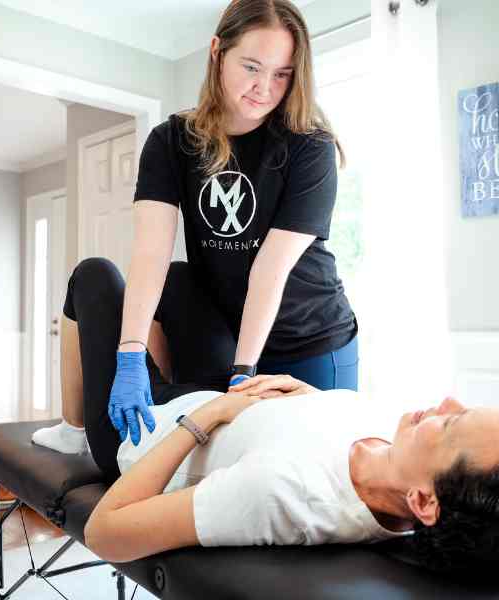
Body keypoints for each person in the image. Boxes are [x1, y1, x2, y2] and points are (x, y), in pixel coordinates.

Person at [34, 257, 499, 585]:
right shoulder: (401, 451)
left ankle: (75, 427)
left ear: (426, 502)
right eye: (463, 408)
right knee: (180, 278)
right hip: (216, 404)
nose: (444, 404)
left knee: (94, 276)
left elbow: (108, 533)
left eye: (450, 427)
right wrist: (303, 394)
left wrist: (210, 416)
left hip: (145, 432)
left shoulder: (285, 495)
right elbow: (324, 427)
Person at [110, 0, 360, 448]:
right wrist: (130, 353)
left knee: (316, 465)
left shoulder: (310, 146)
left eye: (282, 73)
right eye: (251, 67)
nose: (264, 88)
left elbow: (271, 268)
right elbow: (152, 255)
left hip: (312, 339)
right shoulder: (171, 142)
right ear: (216, 52)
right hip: (227, 332)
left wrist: (243, 375)